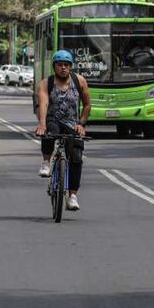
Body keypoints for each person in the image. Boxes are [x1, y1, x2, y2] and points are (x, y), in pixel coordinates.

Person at [35, 50, 91, 211]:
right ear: (54, 67)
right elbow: (44, 104)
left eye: (66, 65)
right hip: (53, 119)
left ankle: (72, 196)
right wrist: (42, 124)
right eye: (60, 65)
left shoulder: (79, 81)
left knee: (76, 157)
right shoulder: (46, 83)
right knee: (49, 131)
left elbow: (87, 105)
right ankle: (46, 162)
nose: (63, 68)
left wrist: (81, 124)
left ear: (70, 67)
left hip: (73, 122)